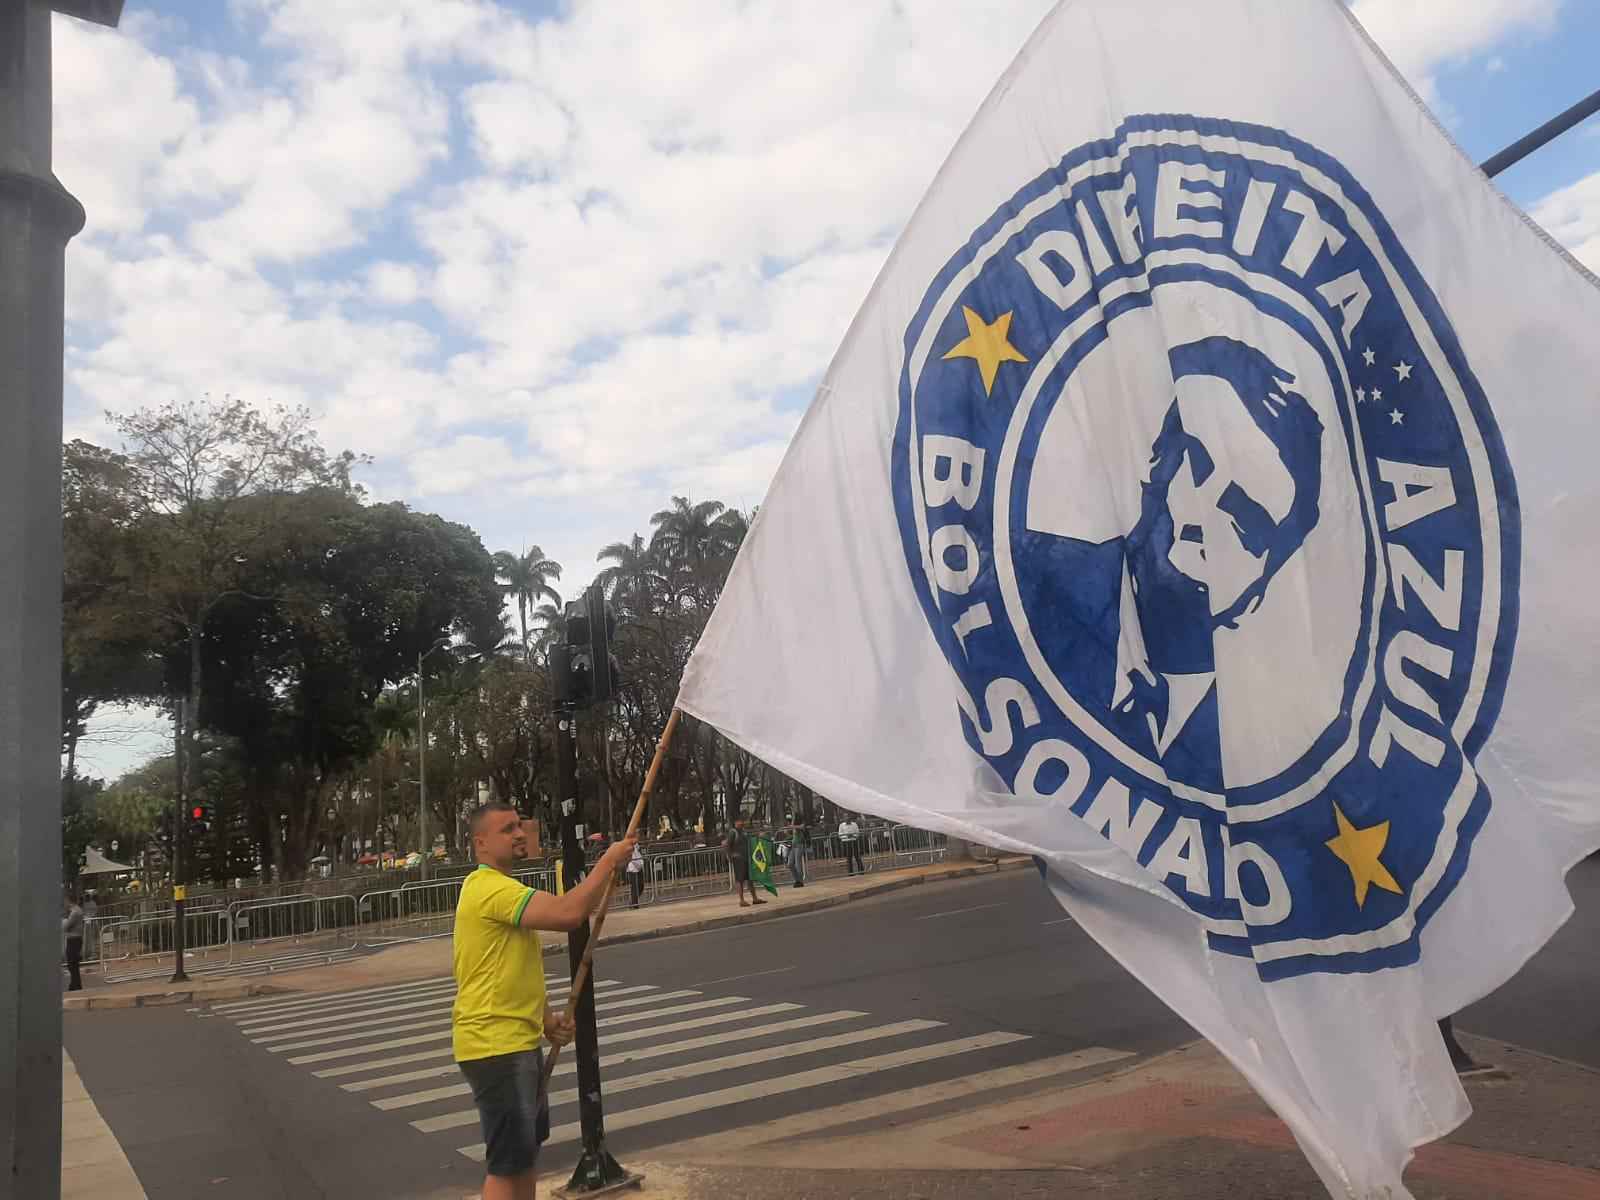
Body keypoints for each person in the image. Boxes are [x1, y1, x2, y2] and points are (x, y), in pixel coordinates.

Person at [452, 802, 635, 1200]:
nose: (519, 833)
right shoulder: (488, 888)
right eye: (507, 829)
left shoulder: (503, 889)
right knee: (506, 1165)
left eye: (519, 826)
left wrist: (547, 1020)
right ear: (481, 843)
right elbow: (568, 913)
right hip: (495, 1045)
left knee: (523, 1156)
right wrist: (607, 862)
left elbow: (507, 972)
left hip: (514, 1040)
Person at [724, 818, 765, 908]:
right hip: (738, 859)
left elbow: (751, 840)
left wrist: (758, 835)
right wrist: (730, 856)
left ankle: (755, 898)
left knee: (750, 879)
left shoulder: (744, 832)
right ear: (735, 823)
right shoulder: (733, 832)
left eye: (742, 821)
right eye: (739, 821)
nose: (741, 822)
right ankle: (741, 900)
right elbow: (727, 844)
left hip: (747, 858)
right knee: (740, 880)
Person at [62, 894, 85, 992]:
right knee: (73, 964)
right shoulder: (76, 911)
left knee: (72, 964)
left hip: (74, 940)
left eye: (65, 901)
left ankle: (75, 985)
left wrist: (63, 920)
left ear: (69, 900)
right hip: (75, 939)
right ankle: (75, 985)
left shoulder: (75, 912)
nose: (64, 903)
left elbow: (66, 926)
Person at [626, 838, 646, 909]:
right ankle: (635, 905)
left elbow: (638, 847)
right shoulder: (629, 847)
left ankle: (632, 901)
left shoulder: (636, 847)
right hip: (632, 870)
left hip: (639, 869)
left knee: (641, 886)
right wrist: (638, 865)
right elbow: (631, 859)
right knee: (634, 888)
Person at [788, 823, 810, 888]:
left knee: (798, 864)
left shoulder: (801, 822)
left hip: (799, 845)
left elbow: (802, 827)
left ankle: (800, 881)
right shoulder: (793, 824)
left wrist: (793, 826)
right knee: (790, 863)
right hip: (793, 845)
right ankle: (796, 879)